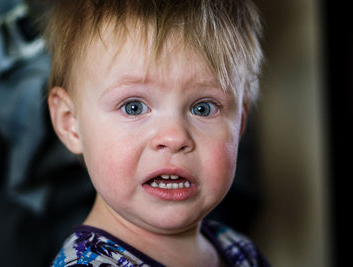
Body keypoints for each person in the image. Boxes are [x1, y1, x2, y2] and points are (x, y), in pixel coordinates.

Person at [44, 0, 268, 266]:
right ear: (71, 123)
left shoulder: (239, 250)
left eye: (203, 108)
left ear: (239, 123)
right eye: (133, 106)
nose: (174, 138)